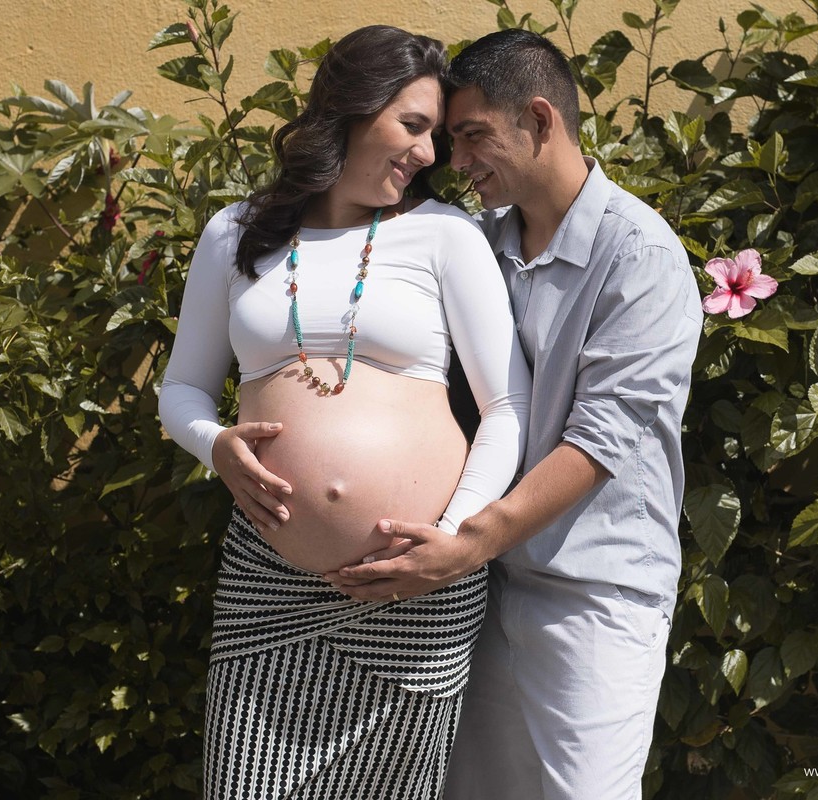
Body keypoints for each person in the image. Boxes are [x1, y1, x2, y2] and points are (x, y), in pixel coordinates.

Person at [322, 29, 704, 800]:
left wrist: (463, 547)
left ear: (539, 119)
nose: (453, 162)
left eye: (471, 137)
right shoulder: (477, 242)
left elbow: (598, 441)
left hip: (592, 595)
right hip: (486, 587)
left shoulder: (641, 258)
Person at [158, 25, 531, 800]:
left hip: (417, 587)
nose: (428, 155)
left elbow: (507, 406)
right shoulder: (236, 232)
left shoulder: (445, 236)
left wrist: (450, 540)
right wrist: (216, 445)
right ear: (352, 111)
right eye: (413, 125)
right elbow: (182, 390)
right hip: (271, 583)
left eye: (435, 134)